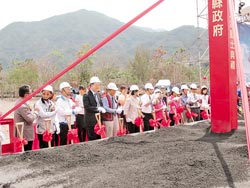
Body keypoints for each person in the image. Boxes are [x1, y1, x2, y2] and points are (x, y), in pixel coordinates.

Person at [14, 85, 39, 151]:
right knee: (27, 151)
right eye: (30, 93)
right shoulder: (22, 106)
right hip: (25, 133)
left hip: (23, 132)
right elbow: (30, 119)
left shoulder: (20, 102)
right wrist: (36, 112)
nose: (31, 94)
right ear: (26, 94)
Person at [83, 76, 106, 141]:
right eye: (96, 85)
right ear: (91, 85)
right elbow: (87, 107)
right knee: (93, 138)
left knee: (99, 138)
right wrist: (97, 109)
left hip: (98, 120)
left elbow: (100, 104)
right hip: (91, 121)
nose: (98, 86)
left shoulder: (98, 94)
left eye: (99, 85)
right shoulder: (86, 95)